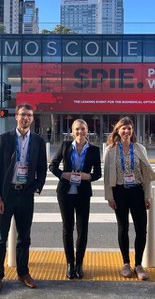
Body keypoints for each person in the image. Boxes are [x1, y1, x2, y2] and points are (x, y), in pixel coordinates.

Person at [0, 103, 47, 294]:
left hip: (26, 194)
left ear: (32, 118)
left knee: (24, 237)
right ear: (16, 117)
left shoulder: (38, 141)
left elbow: (41, 168)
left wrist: (37, 187)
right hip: (6, 195)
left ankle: (23, 273)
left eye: (29, 115)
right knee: (0, 238)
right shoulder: (5, 139)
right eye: (23, 115)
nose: (26, 118)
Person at [104, 117, 155, 280]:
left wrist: (147, 195)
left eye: (129, 129)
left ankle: (138, 265)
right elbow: (107, 175)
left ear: (132, 131)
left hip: (137, 192)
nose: (126, 131)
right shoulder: (110, 150)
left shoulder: (140, 148)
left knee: (141, 228)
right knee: (123, 228)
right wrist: (109, 197)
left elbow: (146, 174)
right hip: (119, 192)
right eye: (123, 128)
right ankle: (126, 263)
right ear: (118, 131)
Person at [49, 119, 102, 280]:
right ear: (72, 132)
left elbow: (98, 173)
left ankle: (79, 264)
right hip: (65, 193)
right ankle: (70, 263)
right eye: (77, 129)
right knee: (67, 228)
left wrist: (88, 176)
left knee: (82, 229)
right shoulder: (65, 146)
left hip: (83, 193)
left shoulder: (94, 150)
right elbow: (52, 166)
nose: (80, 132)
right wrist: (63, 174)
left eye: (83, 129)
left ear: (87, 131)